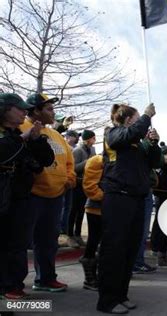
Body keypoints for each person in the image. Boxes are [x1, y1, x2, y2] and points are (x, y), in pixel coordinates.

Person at [97, 103, 162, 314]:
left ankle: (121, 294)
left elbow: (153, 162)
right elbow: (130, 133)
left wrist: (153, 143)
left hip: (136, 198)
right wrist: (146, 115)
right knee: (114, 249)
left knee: (129, 249)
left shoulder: (137, 143)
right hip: (118, 198)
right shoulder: (113, 133)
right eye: (136, 118)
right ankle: (107, 300)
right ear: (127, 120)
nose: (140, 123)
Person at [19, 93, 76, 292]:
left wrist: (69, 178)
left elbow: (69, 160)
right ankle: (12, 286)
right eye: (49, 109)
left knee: (48, 241)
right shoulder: (20, 128)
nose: (54, 113)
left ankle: (45, 279)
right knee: (19, 242)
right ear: (35, 110)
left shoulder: (56, 135)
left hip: (56, 195)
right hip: (30, 195)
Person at [0, 93, 54, 299]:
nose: (24, 112)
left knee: (18, 243)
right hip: (5, 196)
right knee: (5, 243)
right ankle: (6, 288)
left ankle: (14, 285)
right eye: (19, 108)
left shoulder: (18, 135)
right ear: (4, 110)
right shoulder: (12, 137)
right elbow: (6, 152)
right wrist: (24, 141)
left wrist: (36, 140)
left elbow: (45, 160)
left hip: (20, 196)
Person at [79, 154, 104, 291]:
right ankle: (89, 278)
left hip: (109, 207)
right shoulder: (96, 160)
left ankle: (100, 276)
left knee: (103, 242)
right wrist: (106, 197)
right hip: (96, 207)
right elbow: (89, 186)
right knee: (94, 241)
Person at [68, 129, 96, 248]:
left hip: (87, 184)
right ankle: (70, 235)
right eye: (93, 138)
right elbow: (74, 168)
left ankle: (78, 234)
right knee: (73, 210)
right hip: (77, 185)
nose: (95, 140)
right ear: (88, 139)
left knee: (82, 210)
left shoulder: (93, 150)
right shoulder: (78, 150)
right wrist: (88, 162)